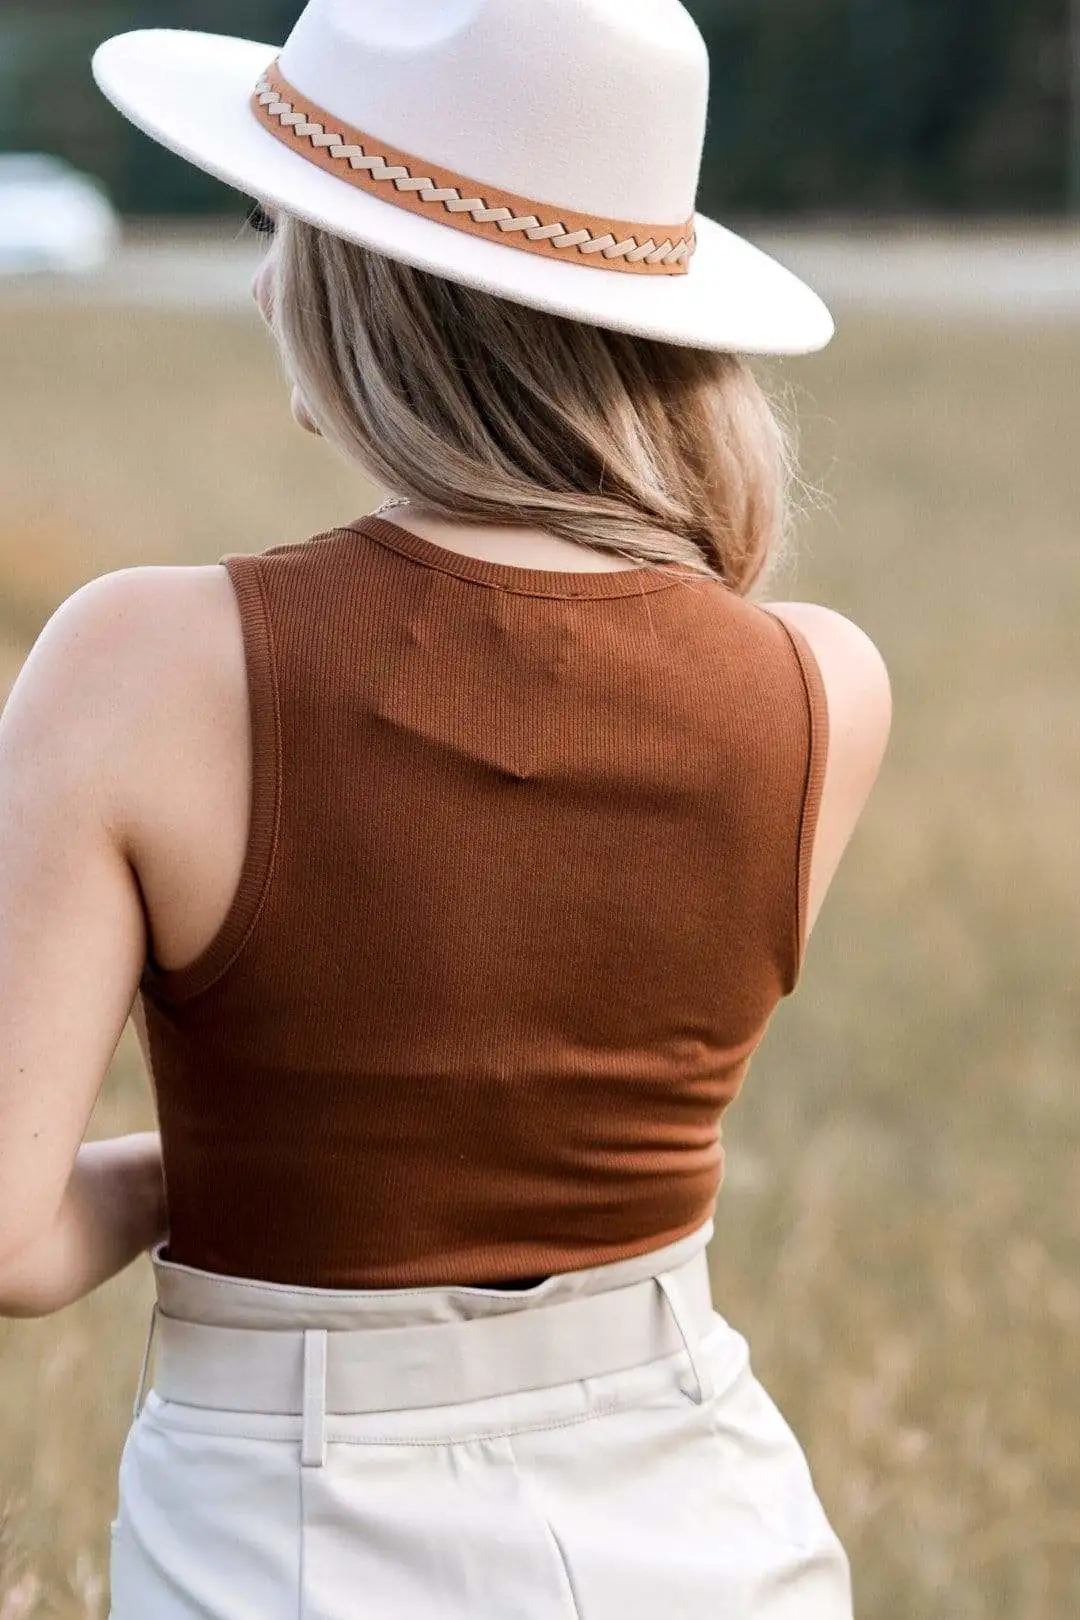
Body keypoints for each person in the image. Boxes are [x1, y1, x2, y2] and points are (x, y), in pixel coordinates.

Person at [0, 1, 891, 1615]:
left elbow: (9, 1234)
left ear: (368, 287)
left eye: (282, 225)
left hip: (294, 1525)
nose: (263, 277)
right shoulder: (822, 685)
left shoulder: (140, 660)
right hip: (712, 1505)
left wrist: (212, 1166)